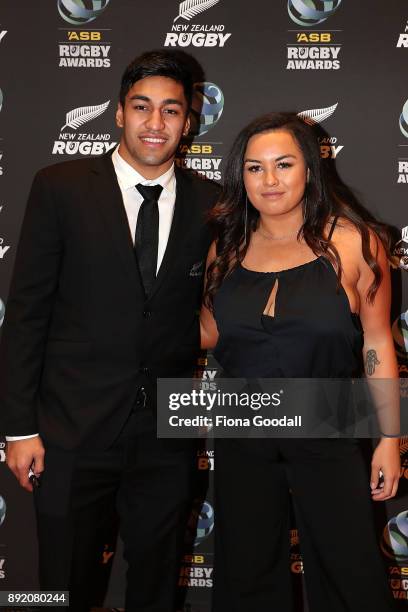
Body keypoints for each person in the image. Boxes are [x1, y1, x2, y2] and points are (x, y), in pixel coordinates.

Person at [0, 50, 219, 611]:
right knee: (60, 584)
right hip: (71, 429)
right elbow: (26, 313)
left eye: (171, 111)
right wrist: (19, 428)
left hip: (165, 433)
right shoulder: (60, 186)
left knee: (155, 582)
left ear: (188, 123)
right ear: (119, 113)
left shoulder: (210, 204)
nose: (155, 123)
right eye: (142, 107)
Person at [200, 112, 400, 611]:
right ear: (239, 175)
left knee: (349, 568)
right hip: (241, 426)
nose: (269, 181)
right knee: (245, 571)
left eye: (283, 164)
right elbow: (208, 332)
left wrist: (389, 440)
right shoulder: (225, 248)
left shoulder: (354, 242)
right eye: (254, 168)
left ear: (309, 169)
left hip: (329, 424)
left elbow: (376, 345)